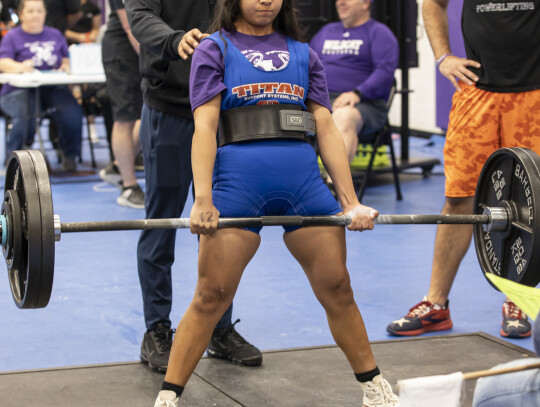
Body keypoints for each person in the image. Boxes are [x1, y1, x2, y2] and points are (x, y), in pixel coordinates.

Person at [151, 1, 401, 406]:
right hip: (236, 188)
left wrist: (350, 201)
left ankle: (375, 390)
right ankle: (168, 398)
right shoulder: (214, 50)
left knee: (338, 287)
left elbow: (326, 127)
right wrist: (202, 199)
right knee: (211, 295)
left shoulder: (305, 55)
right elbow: (205, 127)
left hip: (304, 187)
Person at [386, 0, 540, 338]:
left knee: (533, 204)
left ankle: (519, 298)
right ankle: (436, 304)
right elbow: (433, 4)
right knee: (458, 198)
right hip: (478, 96)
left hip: (533, 96)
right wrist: (444, 57)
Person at [125, 0, 262, 373]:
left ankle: (218, 328)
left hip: (223, 110)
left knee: (223, 224)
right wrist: (173, 40)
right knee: (161, 223)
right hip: (169, 108)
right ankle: (156, 330)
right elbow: (139, 17)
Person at [309, 0, 398, 167]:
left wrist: (357, 93)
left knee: (343, 117)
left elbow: (385, 73)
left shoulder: (380, 33)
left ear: (365, 3)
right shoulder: (326, 31)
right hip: (321, 100)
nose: (340, 2)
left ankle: (334, 190)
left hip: (364, 105)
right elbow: (306, 64)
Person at [0, 0, 82, 171]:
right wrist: (21, 67)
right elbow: (3, 62)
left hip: (52, 88)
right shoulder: (12, 36)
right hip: (18, 90)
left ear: (45, 13)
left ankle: (69, 155)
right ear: (21, 15)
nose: (35, 15)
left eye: (39, 11)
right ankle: (13, 159)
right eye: (30, 11)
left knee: (72, 112)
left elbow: (66, 59)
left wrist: (66, 65)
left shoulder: (55, 34)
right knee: (25, 114)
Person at [100, 0, 145, 209]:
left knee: (149, 114)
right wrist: (158, 60)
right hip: (123, 52)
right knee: (125, 117)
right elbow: (130, 27)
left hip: (143, 50)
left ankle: (118, 167)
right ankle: (129, 187)